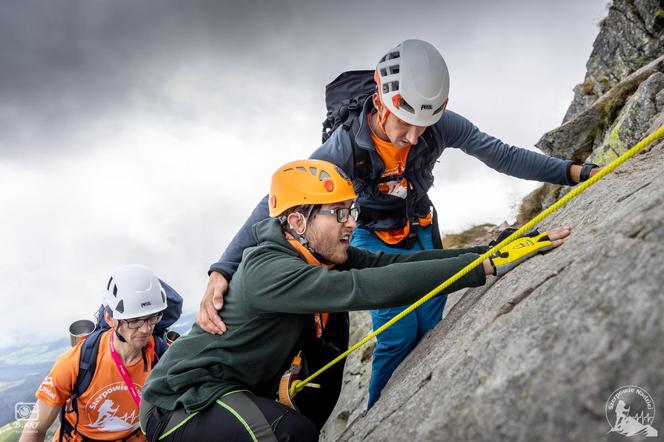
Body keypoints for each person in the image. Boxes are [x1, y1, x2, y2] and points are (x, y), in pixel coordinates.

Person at [197, 39, 597, 409]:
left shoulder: (438, 125)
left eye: (423, 125)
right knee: (396, 335)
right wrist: (222, 269)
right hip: (370, 235)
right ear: (381, 102)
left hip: (421, 223)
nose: (413, 135)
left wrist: (574, 172)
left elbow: (502, 155)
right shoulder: (343, 147)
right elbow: (272, 205)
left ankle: (427, 396)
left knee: (432, 315)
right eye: (403, 122)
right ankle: (379, 415)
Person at [141, 159, 570, 441]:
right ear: (297, 220)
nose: (351, 223)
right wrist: (485, 270)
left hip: (226, 390)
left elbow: (390, 262)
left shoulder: (319, 252)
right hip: (180, 402)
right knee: (291, 434)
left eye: (352, 211)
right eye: (339, 213)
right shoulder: (270, 270)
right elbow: (364, 289)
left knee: (304, 421)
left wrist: (493, 250)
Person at [20, 265, 169, 442]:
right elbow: (35, 430)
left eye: (152, 317)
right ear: (109, 319)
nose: (145, 329)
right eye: (134, 320)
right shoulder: (76, 362)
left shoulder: (162, 357)